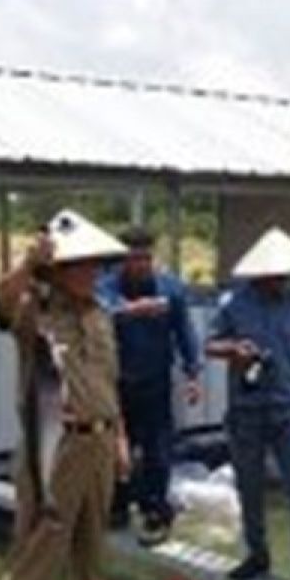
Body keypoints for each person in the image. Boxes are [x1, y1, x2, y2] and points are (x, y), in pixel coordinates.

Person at [0, 209, 132, 580]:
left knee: (94, 552)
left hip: (98, 441)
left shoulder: (99, 314)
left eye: (97, 264)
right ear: (56, 270)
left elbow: (108, 382)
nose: (92, 272)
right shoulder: (36, 311)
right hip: (54, 445)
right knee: (38, 556)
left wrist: (120, 439)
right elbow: (3, 306)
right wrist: (27, 266)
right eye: (81, 264)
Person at [206, 227, 290, 580]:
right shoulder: (234, 305)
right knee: (249, 487)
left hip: (289, 411)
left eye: (285, 275)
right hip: (246, 411)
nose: (280, 280)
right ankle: (256, 554)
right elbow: (210, 344)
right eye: (274, 275)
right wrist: (234, 350)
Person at [98, 226, 202, 546]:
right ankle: (117, 505)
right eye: (133, 259)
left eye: (145, 258)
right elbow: (99, 312)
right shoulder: (106, 287)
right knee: (116, 449)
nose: (140, 265)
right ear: (121, 261)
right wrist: (133, 310)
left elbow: (185, 333)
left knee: (157, 449)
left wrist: (193, 374)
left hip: (156, 381)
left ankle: (155, 511)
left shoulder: (170, 289)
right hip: (115, 382)